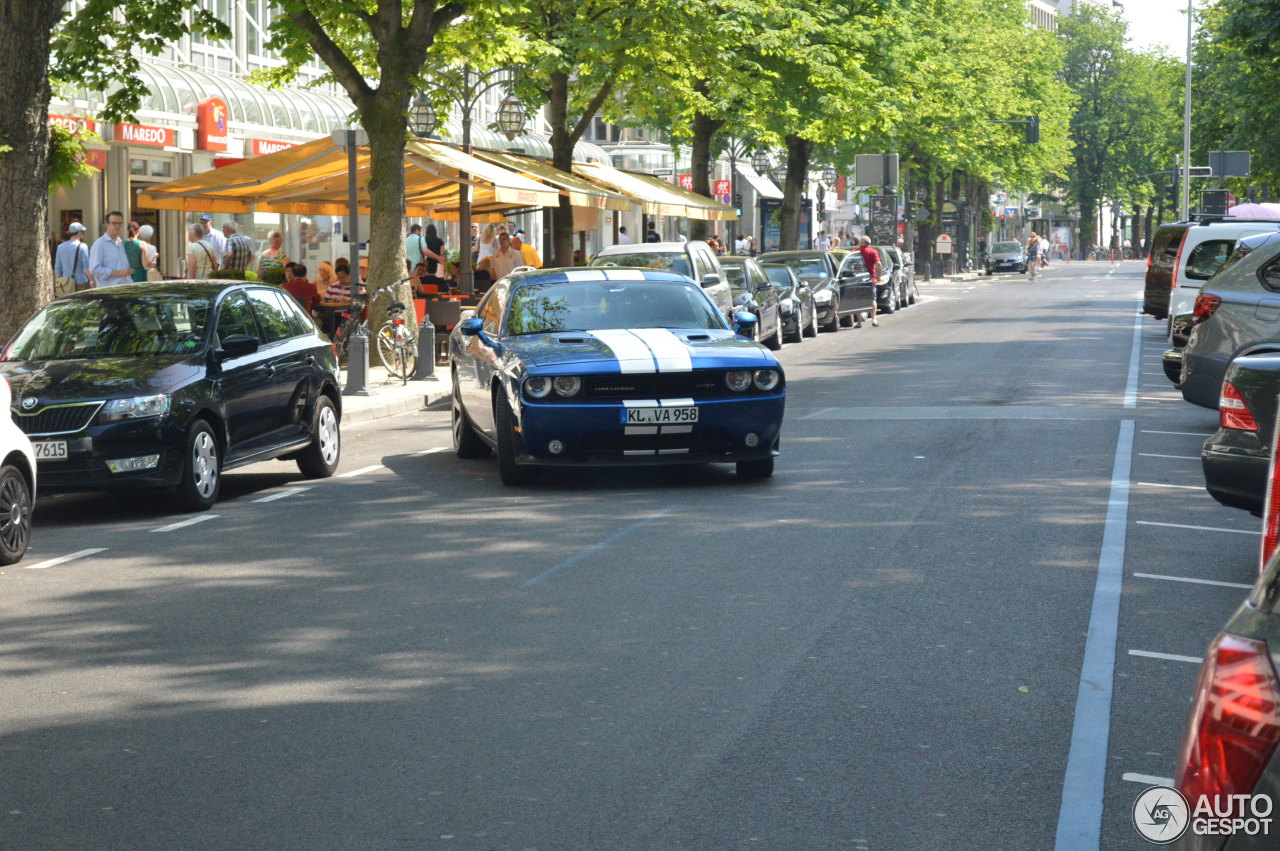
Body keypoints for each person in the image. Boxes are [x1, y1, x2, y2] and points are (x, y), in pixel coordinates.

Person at [89, 211, 134, 287]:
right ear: (107, 225)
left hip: (124, 288)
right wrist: (119, 273)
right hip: (109, 291)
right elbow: (94, 269)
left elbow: (124, 268)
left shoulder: (120, 243)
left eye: (120, 223)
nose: (117, 226)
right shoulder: (99, 244)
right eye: (114, 223)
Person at [55, 221, 91, 291]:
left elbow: (57, 269)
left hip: (66, 284)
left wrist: (57, 285)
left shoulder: (60, 247)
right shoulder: (83, 246)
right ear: (80, 233)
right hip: (81, 283)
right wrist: (92, 280)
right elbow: (87, 267)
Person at [857, 235, 881, 327]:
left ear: (862, 243)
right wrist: (879, 275)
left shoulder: (855, 252)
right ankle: (874, 319)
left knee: (858, 301)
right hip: (870, 279)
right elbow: (878, 264)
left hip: (858, 280)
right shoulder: (873, 252)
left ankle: (859, 322)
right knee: (873, 299)